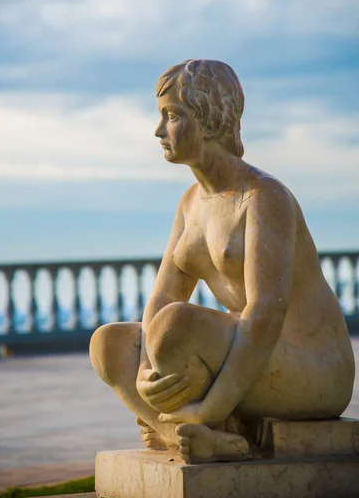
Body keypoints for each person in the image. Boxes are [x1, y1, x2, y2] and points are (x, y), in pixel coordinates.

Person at [90, 59, 355, 464]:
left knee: (174, 329)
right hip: (258, 355)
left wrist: (208, 409)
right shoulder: (190, 204)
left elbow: (265, 313)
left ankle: (203, 424)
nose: (159, 131)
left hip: (310, 364)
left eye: (172, 116)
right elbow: (161, 297)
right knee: (108, 345)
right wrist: (144, 372)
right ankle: (190, 434)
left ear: (210, 122)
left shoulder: (264, 197)